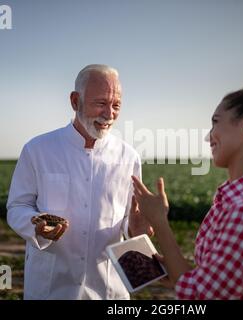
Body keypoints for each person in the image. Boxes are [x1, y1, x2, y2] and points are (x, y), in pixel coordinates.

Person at [132, 85, 243, 299]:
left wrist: (159, 222)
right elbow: (214, 278)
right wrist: (171, 267)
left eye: (215, 122)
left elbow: (201, 296)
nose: (208, 137)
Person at [7, 64, 152, 300]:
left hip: (108, 290)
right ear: (75, 101)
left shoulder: (130, 157)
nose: (109, 114)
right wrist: (35, 225)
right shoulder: (37, 149)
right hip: (50, 289)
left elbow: (128, 221)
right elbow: (17, 207)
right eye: (101, 103)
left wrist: (136, 228)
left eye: (116, 105)